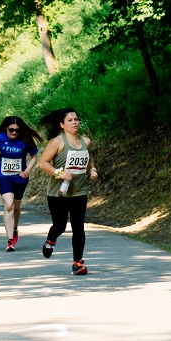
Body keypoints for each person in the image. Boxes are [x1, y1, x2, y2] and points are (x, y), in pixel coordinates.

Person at [37, 108, 99, 275]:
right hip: (58, 192)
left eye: (76, 119)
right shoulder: (57, 142)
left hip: (79, 191)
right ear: (62, 124)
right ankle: (51, 240)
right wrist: (60, 172)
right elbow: (43, 163)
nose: (74, 122)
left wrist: (92, 169)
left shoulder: (86, 141)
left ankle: (77, 262)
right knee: (60, 225)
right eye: (70, 120)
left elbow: (88, 158)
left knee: (78, 227)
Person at [0, 116, 41, 252]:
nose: (14, 133)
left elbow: (34, 156)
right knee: (8, 205)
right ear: (6, 128)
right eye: (11, 130)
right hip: (3, 176)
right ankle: (10, 240)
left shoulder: (25, 139)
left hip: (20, 177)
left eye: (17, 130)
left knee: (16, 206)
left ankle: (15, 228)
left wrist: (27, 170)